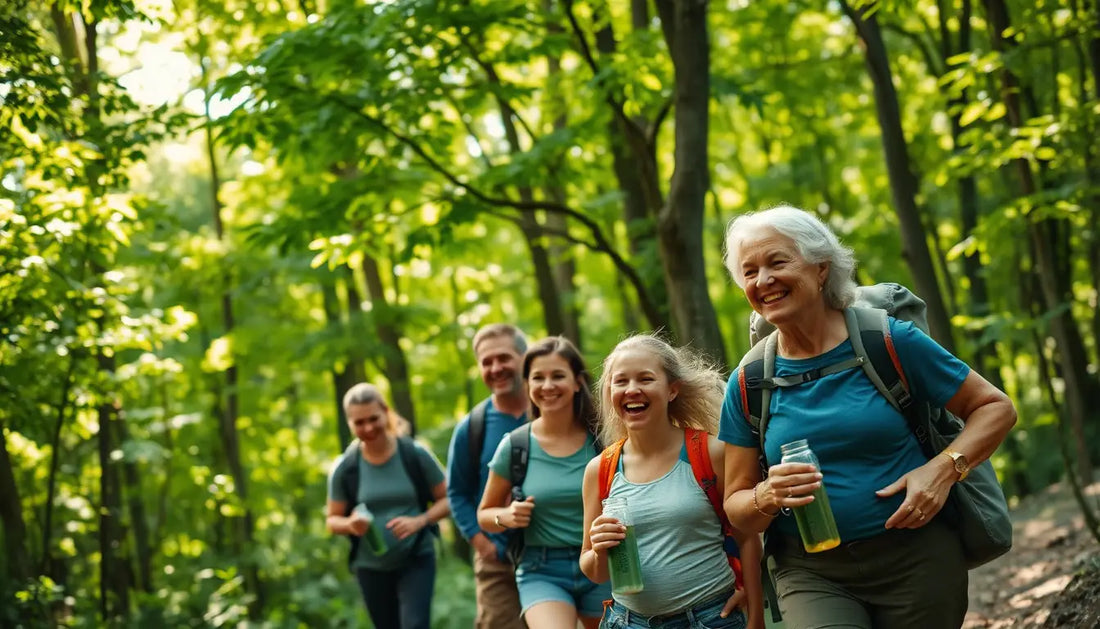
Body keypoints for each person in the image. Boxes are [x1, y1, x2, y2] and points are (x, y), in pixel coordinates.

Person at [718, 205, 1017, 629]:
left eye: (777, 262)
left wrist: (943, 469)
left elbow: (995, 408)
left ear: (821, 269)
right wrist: (765, 496)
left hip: (917, 559)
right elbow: (736, 505)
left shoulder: (888, 340)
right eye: (749, 272)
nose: (763, 280)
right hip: (811, 571)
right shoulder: (749, 381)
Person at [580, 334, 765, 629]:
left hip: (710, 618)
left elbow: (748, 538)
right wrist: (599, 549)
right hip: (626, 622)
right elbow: (596, 572)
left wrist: (756, 615)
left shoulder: (710, 452)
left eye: (645, 379)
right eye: (621, 381)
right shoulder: (599, 470)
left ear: (672, 390)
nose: (632, 390)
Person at [477, 336, 611, 629]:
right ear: (527, 386)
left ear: (577, 383)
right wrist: (507, 516)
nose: (547, 386)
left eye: (557, 376)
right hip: (541, 569)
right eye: (538, 377)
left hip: (603, 563)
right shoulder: (515, 446)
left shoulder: (605, 440)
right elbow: (484, 514)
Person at [325, 383, 450, 629]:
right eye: (359, 422)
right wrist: (350, 524)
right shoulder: (345, 468)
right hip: (370, 567)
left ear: (386, 412)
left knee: (414, 625)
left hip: (416, 557)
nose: (369, 427)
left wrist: (420, 521)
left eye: (374, 418)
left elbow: (449, 498)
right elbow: (332, 520)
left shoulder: (414, 455)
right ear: (349, 423)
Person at [446, 324, 528, 629]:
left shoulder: (555, 410)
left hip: (559, 556)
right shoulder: (472, 427)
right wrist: (483, 545)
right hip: (497, 563)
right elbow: (456, 492)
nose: (496, 368)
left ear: (524, 357)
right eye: (486, 362)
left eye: (504, 358)